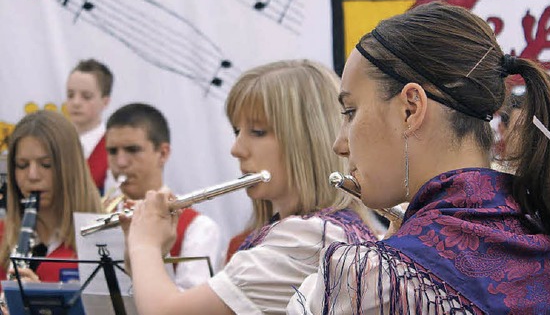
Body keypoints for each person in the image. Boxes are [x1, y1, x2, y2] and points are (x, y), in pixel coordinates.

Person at [286, 1, 550, 314]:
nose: (339, 144)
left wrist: (390, 252)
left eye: (350, 111)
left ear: (410, 109)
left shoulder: (368, 278)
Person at [122, 60, 377, 315]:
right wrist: (145, 251)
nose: (236, 149)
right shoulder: (317, 230)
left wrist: (145, 244)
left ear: (306, 140)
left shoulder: (308, 239)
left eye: (257, 131)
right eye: (237, 131)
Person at [105, 103, 224, 289]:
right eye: (112, 151)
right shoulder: (101, 216)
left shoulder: (199, 228)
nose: (120, 162)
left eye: (132, 150)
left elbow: (190, 305)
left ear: (163, 153)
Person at [0, 110, 102, 285]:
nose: (32, 175)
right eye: (22, 165)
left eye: (46, 164)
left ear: (71, 168)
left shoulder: (102, 243)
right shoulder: (2, 235)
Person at [66, 58, 114, 195]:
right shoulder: (57, 143)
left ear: (105, 102)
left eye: (86, 97)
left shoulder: (113, 148)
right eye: (70, 95)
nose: (76, 103)